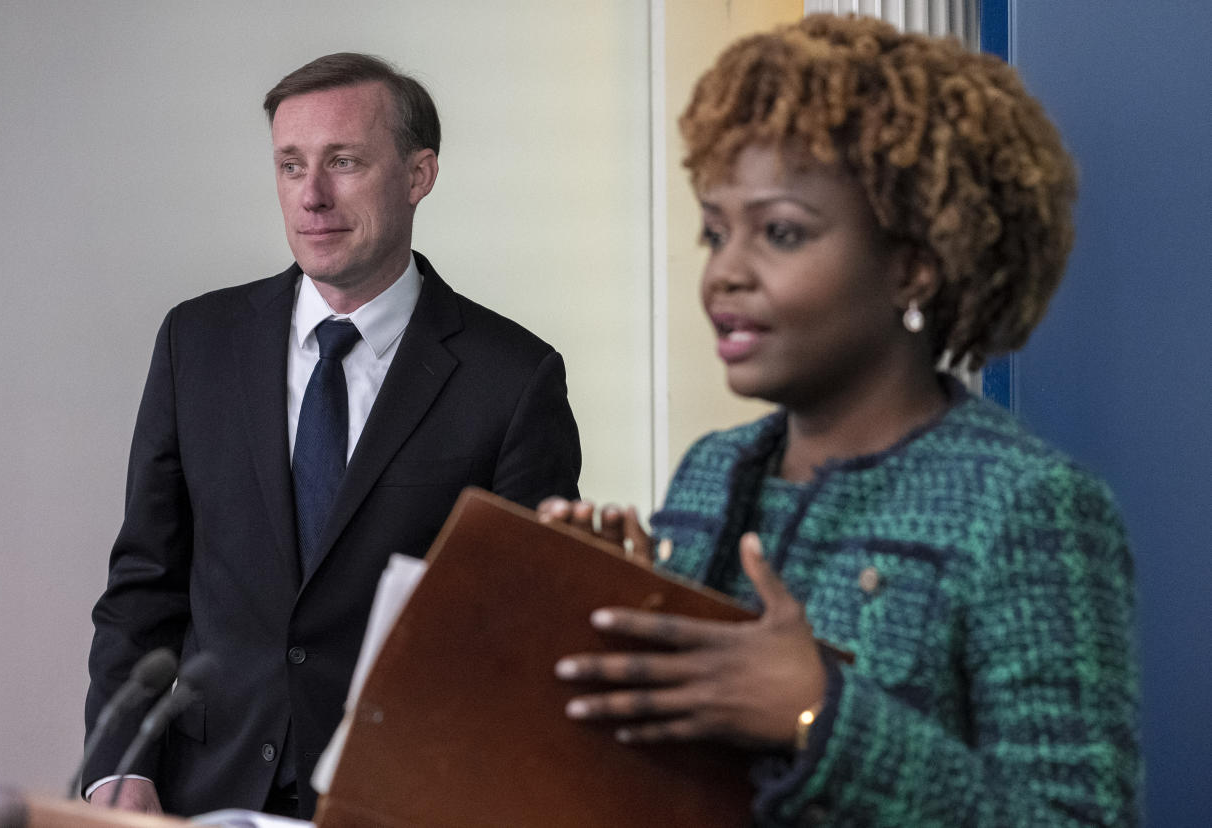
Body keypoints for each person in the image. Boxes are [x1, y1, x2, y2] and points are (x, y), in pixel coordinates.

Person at [540, 14, 1138, 827]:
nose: (725, 274)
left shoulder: (1029, 504)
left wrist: (822, 713)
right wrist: (615, 604)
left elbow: (1077, 818)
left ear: (912, 268)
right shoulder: (710, 471)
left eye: (780, 233)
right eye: (715, 232)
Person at [83, 53, 581, 820]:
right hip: (200, 796)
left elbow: (522, 638)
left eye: (343, 162)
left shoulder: (514, 379)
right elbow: (143, 588)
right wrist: (120, 771)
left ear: (419, 175)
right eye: (291, 166)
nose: (311, 197)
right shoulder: (198, 342)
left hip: (402, 800)